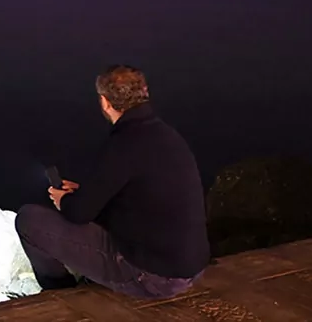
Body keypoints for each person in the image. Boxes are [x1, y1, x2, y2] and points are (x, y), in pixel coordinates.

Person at [15, 65, 210, 299]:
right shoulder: (167, 136)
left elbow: (78, 214)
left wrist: (64, 200)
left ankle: (61, 293)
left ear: (105, 103)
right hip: (190, 267)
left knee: (28, 221)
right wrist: (83, 193)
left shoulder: (124, 143)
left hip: (155, 278)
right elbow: (135, 193)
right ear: (144, 92)